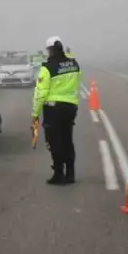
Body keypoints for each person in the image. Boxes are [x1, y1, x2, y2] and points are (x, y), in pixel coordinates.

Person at [32, 36, 81, 185]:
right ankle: (71, 173)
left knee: (55, 142)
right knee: (67, 140)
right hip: (70, 107)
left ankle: (59, 174)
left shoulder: (47, 68)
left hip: (53, 109)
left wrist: (35, 113)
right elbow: (77, 83)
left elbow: (41, 93)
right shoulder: (74, 64)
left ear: (50, 50)